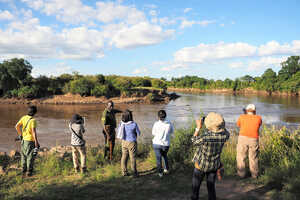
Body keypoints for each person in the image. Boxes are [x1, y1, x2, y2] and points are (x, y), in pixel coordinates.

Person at [191, 112, 230, 200]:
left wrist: (198, 128)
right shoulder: (225, 135)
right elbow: (224, 131)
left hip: (201, 165)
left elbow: (193, 141)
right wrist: (219, 125)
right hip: (214, 165)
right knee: (211, 187)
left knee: (195, 188)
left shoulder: (205, 137)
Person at [236, 104, 262, 179]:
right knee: (253, 157)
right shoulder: (258, 118)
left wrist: (245, 115)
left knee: (241, 156)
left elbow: (238, 125)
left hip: (242, 138)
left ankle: (241, 174)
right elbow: (259, 125)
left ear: (246, 110)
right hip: (254, 139)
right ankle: (254, 175)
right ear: (255, 111)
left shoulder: (242, 117)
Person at [15, 105, 40, 176]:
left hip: (23, 140)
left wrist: (21, 135)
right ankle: (29, 171)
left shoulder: (24, 118)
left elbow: (16, 126)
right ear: (35, 113)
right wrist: (36, 142)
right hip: (30, 141)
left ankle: (23, 170)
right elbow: (33, 132)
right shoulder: (33, 121)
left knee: (23, 155)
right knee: (30, 156)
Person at [117, 109, 140, 177]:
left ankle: (124, 172)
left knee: (124, 157)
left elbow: (119, 132)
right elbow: (139, 133)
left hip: (124, 142)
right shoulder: (134, 124)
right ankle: (134, 173)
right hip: (132, 142)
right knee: (132, 158)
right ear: (130, 116)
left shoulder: (121, 124)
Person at [152, 110, 174, 177]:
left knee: (158, 158)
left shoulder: (156, 124)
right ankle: (166, 169)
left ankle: (160, 173)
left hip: (156, 143)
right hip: (165, 144)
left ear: (158, 117)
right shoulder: (169, 123)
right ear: (165, 116)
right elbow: (171, 132)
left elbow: (153, 133)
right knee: (164, 156)